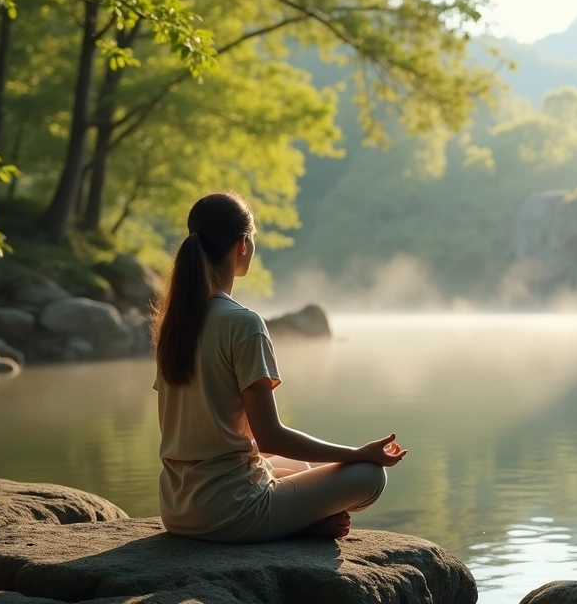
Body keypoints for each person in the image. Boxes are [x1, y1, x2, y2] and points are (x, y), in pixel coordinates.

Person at [150, 192, 406, 543]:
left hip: (178, 508)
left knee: (298, 469)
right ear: (243, 245)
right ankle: (306, 525)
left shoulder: (175, 324)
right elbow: (271, 435)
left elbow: (216, 433)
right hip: (231, 512)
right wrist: (357, 454)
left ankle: (302, 519)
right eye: (252, 237)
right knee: (370, 476)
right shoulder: (243, 324)